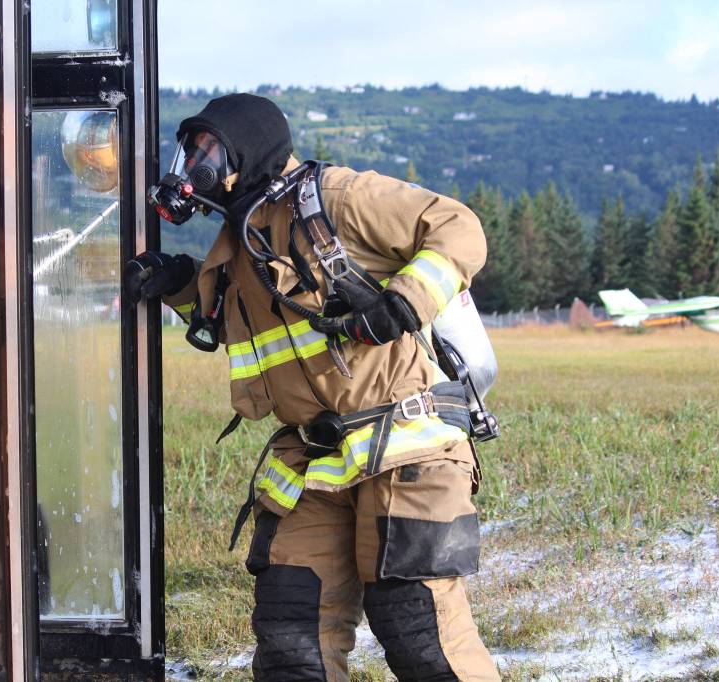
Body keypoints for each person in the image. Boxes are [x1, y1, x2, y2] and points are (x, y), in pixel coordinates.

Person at [127, 93, 499, 682]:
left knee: (416, 630)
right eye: (190, 150)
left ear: (247, 151)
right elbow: (234, 326)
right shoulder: (235, 247)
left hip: (403, 446)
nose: (193, 164)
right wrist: (176, 285)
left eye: (207, 149)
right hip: (313, 461)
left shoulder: (339, 199)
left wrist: (404, 301)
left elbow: (458, 226)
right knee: (291, 643)